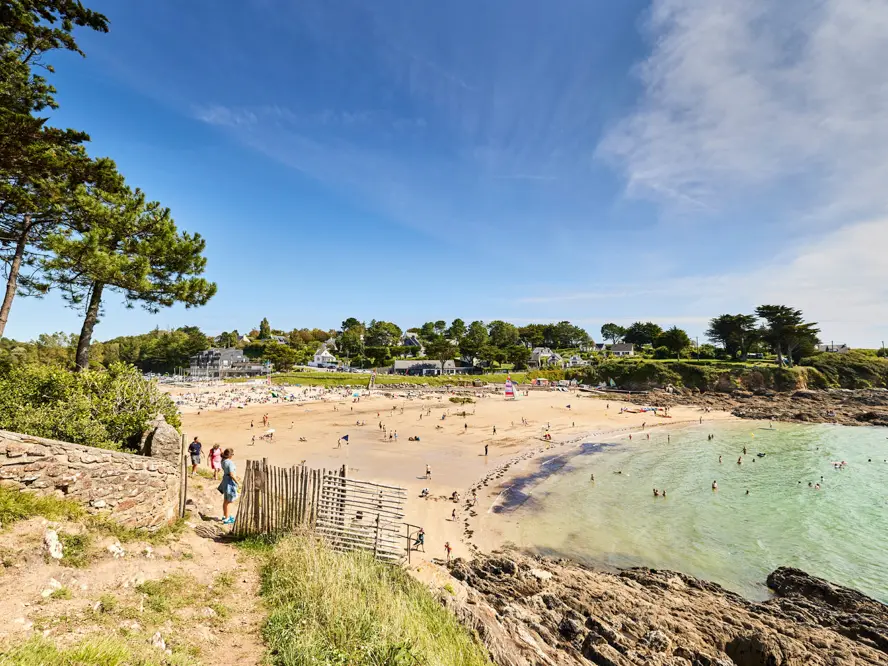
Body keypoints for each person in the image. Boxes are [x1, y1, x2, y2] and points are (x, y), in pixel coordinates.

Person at [218, 448, 240, 525]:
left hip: (225, 480)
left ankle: (225, 516)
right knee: (230, 501)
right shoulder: (229, 462)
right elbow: (231, 474)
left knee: (226, 500)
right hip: (230, 482)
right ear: (230, 455)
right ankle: (227, 518)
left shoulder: (223, 461)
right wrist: (237, 482)